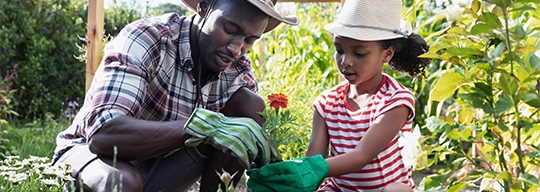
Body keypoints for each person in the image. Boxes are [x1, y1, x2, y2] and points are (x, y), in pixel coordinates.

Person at [52, 0, 297, 191]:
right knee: (123, 182)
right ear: (203, 7)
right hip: (93, 159)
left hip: (163, 169)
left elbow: (243, 143)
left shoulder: (238, 71)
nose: (236, 48)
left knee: (251, 106)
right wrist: (206, 126)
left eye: (249, 40)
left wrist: (271, 167)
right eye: (230, 29)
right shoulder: (150, 38)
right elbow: (103, 135)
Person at [246, 0, 430, 191]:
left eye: (359, 53)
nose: (346, 61)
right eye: (339, 50)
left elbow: (362, 156)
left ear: (387, 54)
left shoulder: (395, 100)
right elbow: (313, 160)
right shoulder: (327, 103)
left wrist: (312, 168)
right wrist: (296, 174)